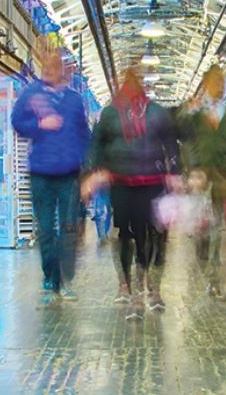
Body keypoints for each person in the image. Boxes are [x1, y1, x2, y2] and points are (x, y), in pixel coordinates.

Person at [85, 68, 181, 320]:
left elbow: (170, 141)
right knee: (128, 236)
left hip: (151, 182)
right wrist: (97, 171)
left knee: (148, 236)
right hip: (121, 183)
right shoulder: (110, 114)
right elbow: (97, 143)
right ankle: (132, 288)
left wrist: (174, 171)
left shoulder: (154, 112)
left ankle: (146, 287)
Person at [11, 40, 91, 307]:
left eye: (56, 64)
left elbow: (84, 136)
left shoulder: (74, 100)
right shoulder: (32, 93)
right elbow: (17, 122)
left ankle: (65, 280)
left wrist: (86, 169)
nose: (52, 69)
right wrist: (39, 124)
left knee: (67, 230)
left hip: (68, 175)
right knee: (45, 230)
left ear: (63, 69)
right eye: (48, 64)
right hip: (41, 174)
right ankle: (50, 280)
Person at [177, 65, 226, 302]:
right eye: (216, 81)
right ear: (206, 84)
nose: (220, 85)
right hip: (201, 181)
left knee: (220, 232)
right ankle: (206, 268)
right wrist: (186, 112)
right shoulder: (196, 113)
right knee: (202, 232)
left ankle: (215, 282)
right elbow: (181, 136)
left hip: (224, 180)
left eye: (222, 81)